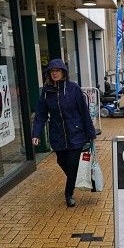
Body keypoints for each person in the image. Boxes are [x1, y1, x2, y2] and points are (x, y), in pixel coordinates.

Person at [32, 59, 97, 207]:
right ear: (49, 73)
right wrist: (36, 134)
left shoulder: (73, 89)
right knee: (61, 161)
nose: (55, 73)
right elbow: (41, 114)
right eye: (52, 71)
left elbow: (84, 112)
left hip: (76, 133)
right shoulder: (47, 92)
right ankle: (81, 179)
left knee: (73, 164)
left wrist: (90, 132)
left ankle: (69, 194)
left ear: (63, 72)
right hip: (57, 134)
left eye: (58, 70)